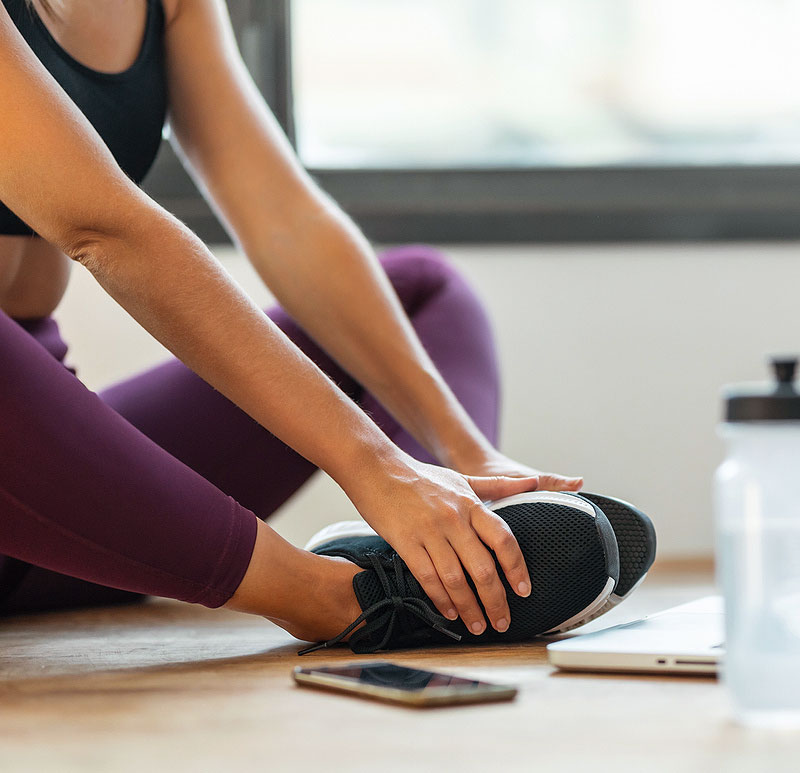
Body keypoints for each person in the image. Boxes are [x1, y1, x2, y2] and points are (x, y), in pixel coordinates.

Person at [0, 0, 586, 646]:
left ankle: (439, 559)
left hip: (51, 506)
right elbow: (102, 228)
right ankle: (330, 596)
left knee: (425, 290)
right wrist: (373, 464)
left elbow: (283, 215)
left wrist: (458, 450)